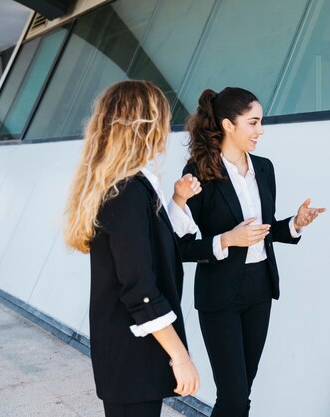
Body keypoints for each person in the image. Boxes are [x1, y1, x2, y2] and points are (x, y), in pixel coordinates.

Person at [174, 87, 325, 417]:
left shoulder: (265, 168)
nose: (261, 130)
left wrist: (295, 224)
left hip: (260, 289)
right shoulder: (198, 171)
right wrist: (226, 239)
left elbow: (265, 231)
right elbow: (181, 248)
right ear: (229, 125)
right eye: (253, 123)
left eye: (261, 122)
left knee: (242, 390)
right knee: (235, 396)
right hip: (220, 295)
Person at [64, 80, 202, 417]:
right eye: (163, 121)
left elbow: (152, 249)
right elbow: (139, 289)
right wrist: (180, 357)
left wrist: (178, 201)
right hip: (131, 357)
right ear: (147, 126)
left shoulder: (128, 185)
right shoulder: (126, 191)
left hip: (131, 355)